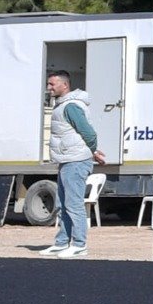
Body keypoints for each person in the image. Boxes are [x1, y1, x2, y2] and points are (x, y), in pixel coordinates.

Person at [44, 69, 98, 258]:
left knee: (74, 204)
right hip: (67, 160)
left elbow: (89, 133)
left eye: (52, 84)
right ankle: (61, 243)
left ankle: (80, 244)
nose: (48, 87)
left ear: (64, 85)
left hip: (75, 161)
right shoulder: (63, 105)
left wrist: (91, 150)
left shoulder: (71, 106)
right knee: (63, 203)